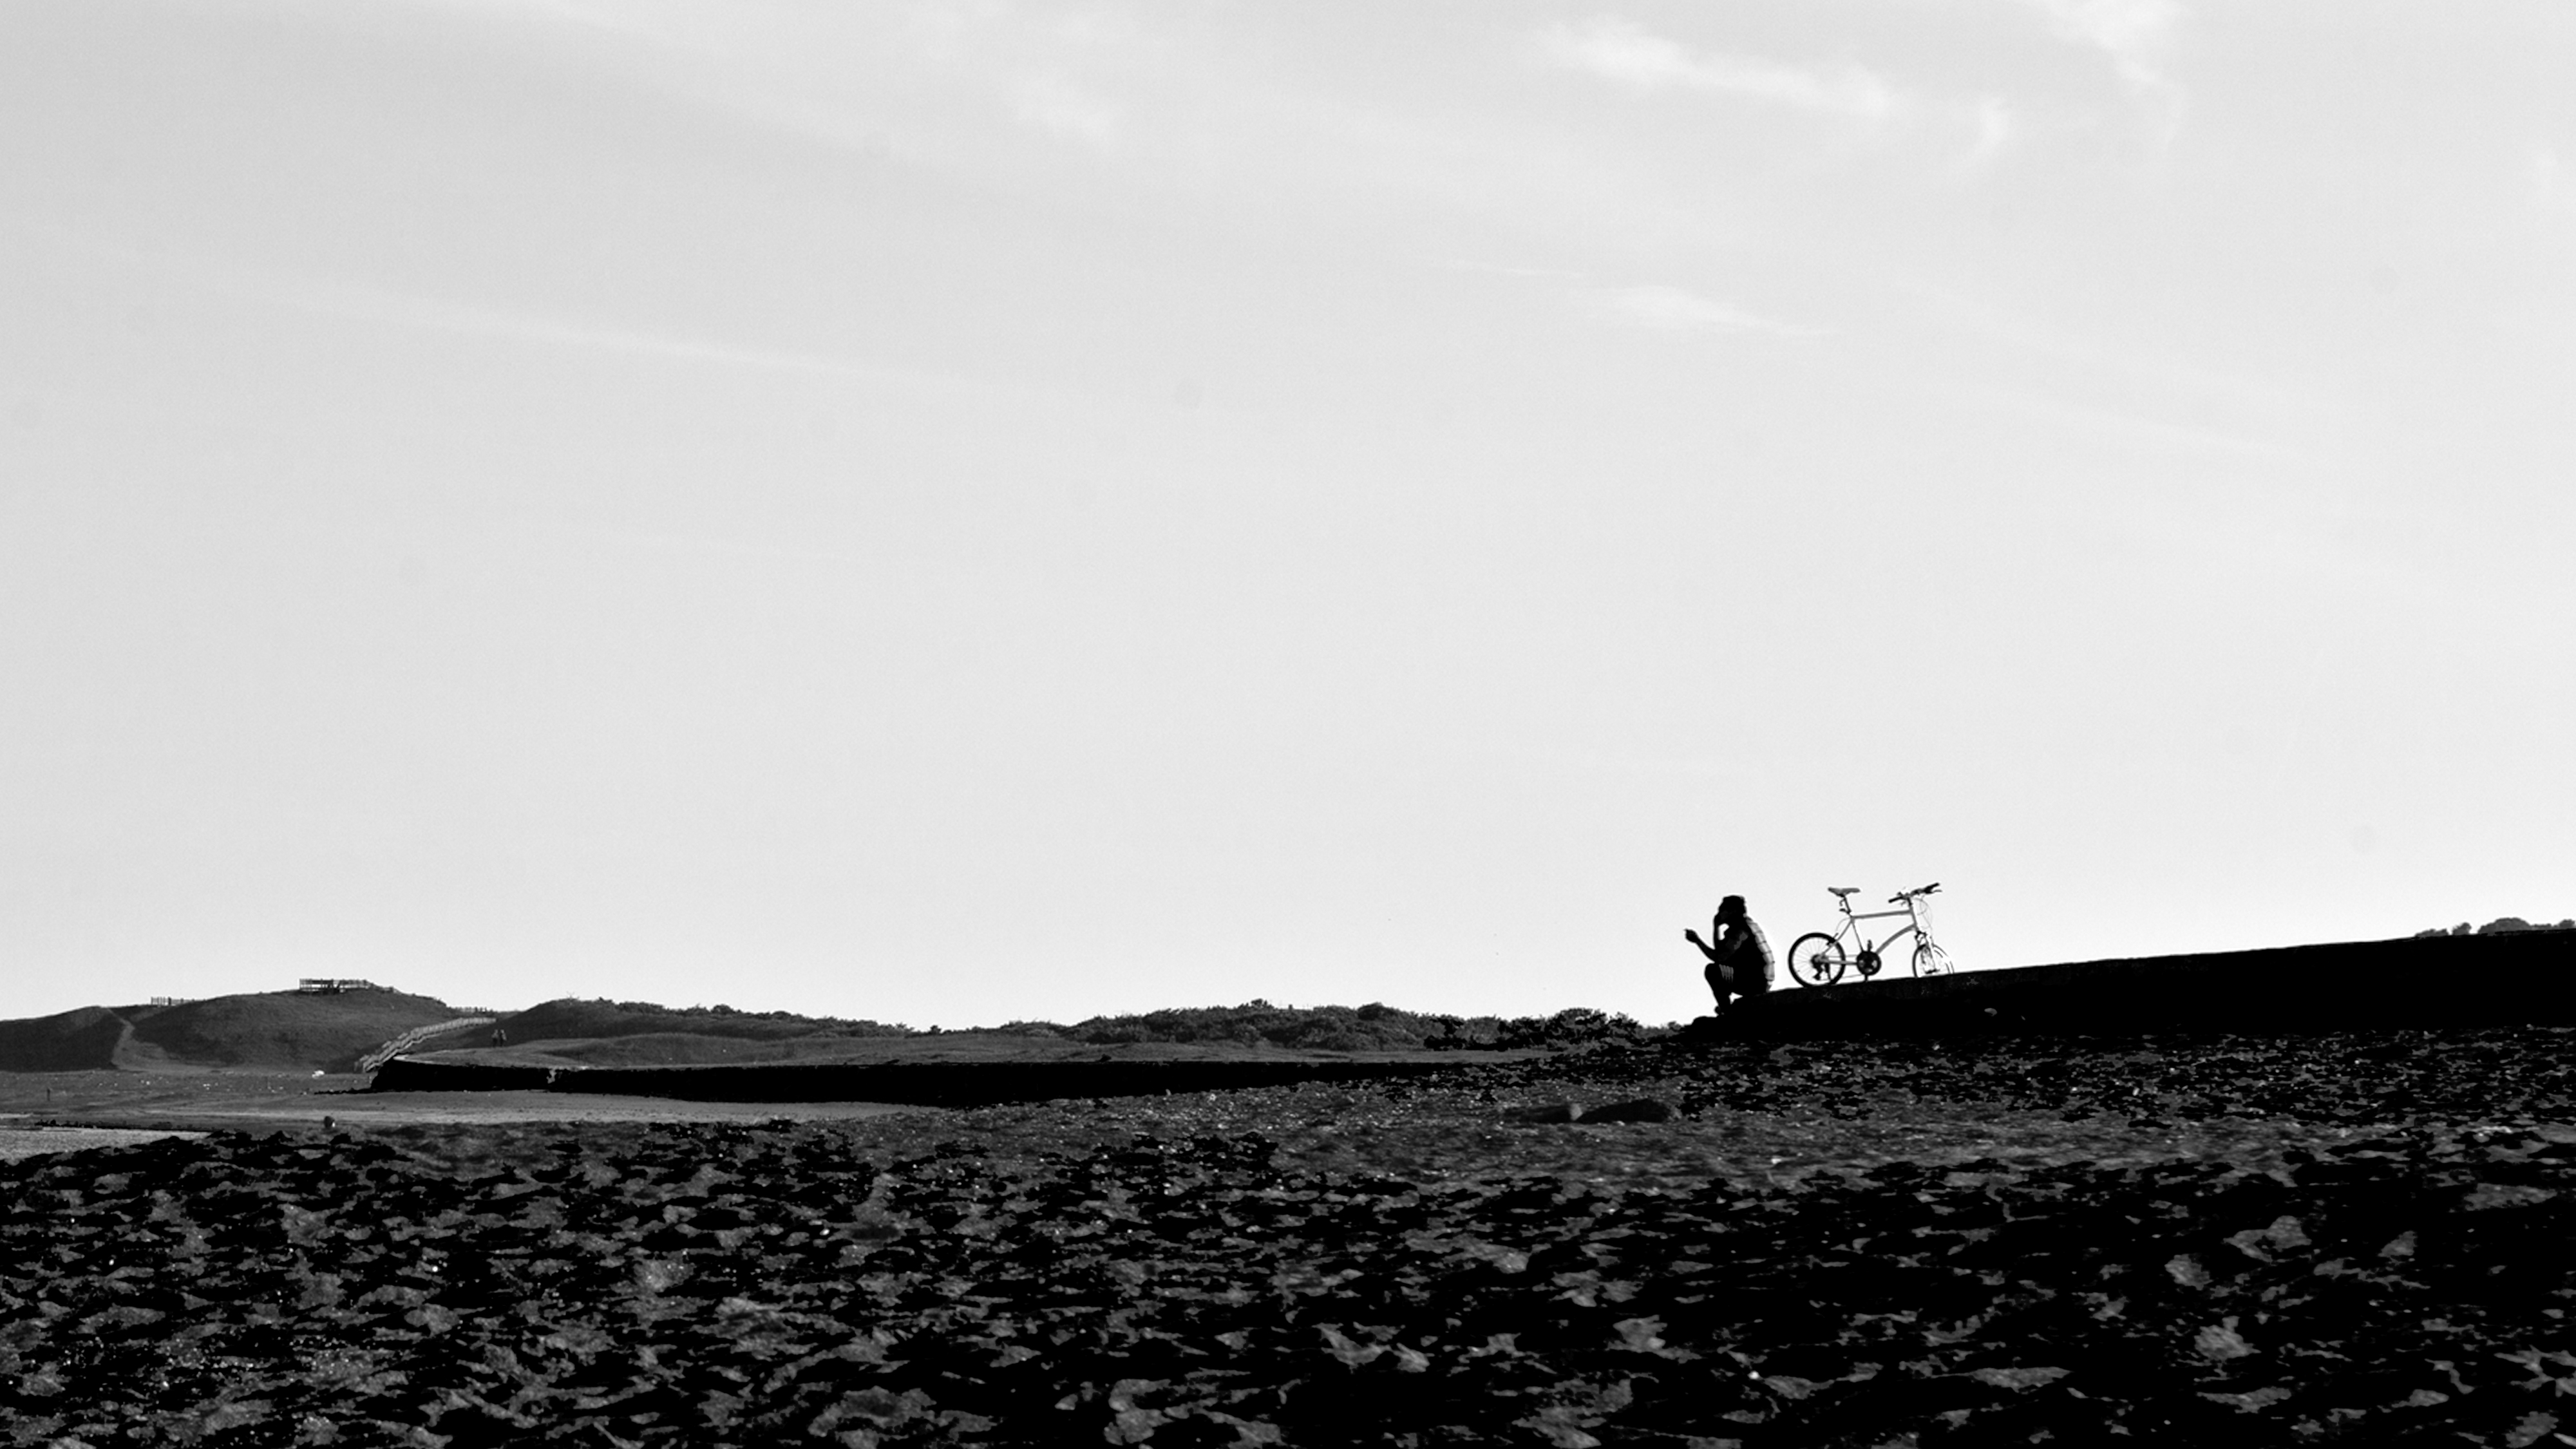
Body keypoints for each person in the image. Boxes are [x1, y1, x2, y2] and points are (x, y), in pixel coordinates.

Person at [1687, 895, 1773, 1014]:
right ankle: (1727, 1008)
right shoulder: (1748, 925)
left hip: (1756, 982)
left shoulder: (1741, 931)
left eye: (1721, 911)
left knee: (1713, 971)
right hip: (1759, 979)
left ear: (1733, 911)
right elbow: (1720, 950)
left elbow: (1720, 957)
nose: (1718, 915)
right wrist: (1716, 928)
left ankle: (1728, 1013)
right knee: (1722, 968)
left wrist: (1698, 942)